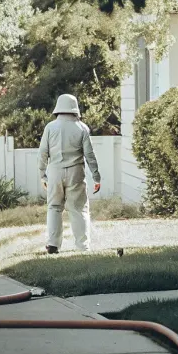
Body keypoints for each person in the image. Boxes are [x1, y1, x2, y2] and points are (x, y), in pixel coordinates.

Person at [38, 94, 101, 254]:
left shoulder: (50, 127)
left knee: (54, 207)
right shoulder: (82, 128)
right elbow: (90, 155)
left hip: (55, 172)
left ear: (58, 108)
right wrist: (96, 176)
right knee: (79, 209)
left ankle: (52, 244)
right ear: (75, 108)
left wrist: (42, 174)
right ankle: (83, 246)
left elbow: (43, 153)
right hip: (76, 173)